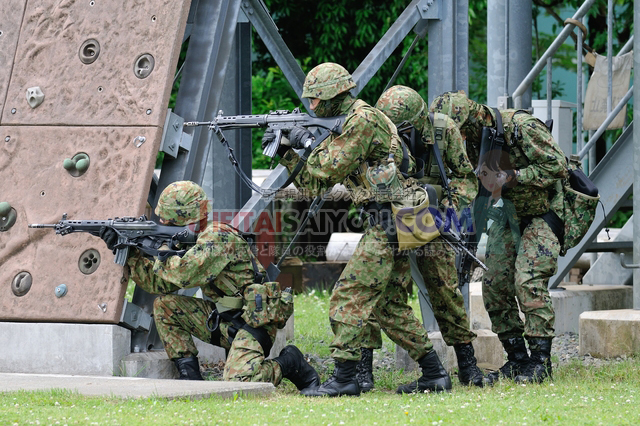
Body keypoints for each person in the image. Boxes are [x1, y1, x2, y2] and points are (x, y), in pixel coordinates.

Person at [265, 63, 452, 396]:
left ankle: (346, 377)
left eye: (316, 101)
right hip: (392, 219)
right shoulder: (348, 124)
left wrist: (305, 140)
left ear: (334, 96)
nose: (312, 107)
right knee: (388, 306)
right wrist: (285, 152)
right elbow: (314, 184)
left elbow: (326, 167)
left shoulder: (361, 121)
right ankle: (434, 374)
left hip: (393, 219)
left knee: (347, 297)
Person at [99, 181, 320, 391]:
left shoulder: (217, 237)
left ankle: (289, 362)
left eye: (169, 220)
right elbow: (158, 283)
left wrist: (160, 250)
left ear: (188, 218)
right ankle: (191, 379)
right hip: (223, 319)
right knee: (165, 306)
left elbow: (183, 274)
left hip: (254, 322)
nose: (163, 224)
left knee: (239, 381)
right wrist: (131, 254)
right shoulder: (192, 241)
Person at [430, 91, 568, 383]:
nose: (459, 140)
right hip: (510, 213)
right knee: (493, 286)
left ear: (473, 119)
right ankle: (518, 359)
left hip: (544, 212)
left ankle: (541, 362)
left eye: (460, 132)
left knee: (528, 279)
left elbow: (557, 166)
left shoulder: (521, 127)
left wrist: (512, 176)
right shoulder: (470, 141)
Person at [371, 85, 487, 389]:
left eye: (402, 129)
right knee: (376, 289)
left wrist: (444, 212)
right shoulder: (381, 133)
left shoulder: (443, 130)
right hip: (392, 216)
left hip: (429, 217)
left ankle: (468, 366)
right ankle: (360, 369)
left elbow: (465, 179)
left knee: (445, 292)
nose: (395, 135)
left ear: (418, 120)